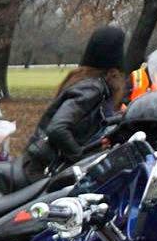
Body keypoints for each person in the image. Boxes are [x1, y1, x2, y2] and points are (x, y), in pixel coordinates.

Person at [22, 25, 126, 179]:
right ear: (113, 71)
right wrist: (81, 158)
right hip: (41, 170)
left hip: (43, 164)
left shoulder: (86, 81)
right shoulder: (92, 88)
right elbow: (57, 128)